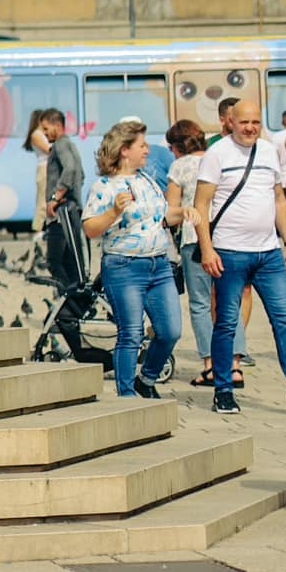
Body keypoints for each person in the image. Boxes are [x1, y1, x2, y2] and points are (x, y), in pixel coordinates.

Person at [196, 100, 286, 418]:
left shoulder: (269, 151)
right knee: (227, 323)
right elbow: (201, 205)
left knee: (285, 321)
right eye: (244, 122)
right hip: (229, 252)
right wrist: (207, 248)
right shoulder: (217, 154)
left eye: (256, 122)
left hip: (269, 252)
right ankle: (224, 391)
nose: (250, 128)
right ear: (230, 121)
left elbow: (278, 199)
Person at [83, 120, 183, 398]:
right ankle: (126, 395)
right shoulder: (104, 187)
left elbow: (164, 216)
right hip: (123, 267)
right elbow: (91, 229)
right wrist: (114, 212)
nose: (147, 150)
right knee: (131, 334)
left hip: (159, 265)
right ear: (125, 150)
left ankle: (146, 379)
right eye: (142, 145)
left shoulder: (147, 181)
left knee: (170, 330)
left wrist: (186, 212)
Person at [168, 121, 246, 386]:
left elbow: (172, 211)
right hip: (226, 238)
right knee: (228, 301)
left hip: (194, 240)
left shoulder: (180, 166)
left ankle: (212, 365)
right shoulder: (220, 157)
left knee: (201, 304)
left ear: (177, 147)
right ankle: (235, 366)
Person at [40, 110, 85, 221]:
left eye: (46, 129)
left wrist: (56, 198)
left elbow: (69, 168)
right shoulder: (70, 144)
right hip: (73, 209)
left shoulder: (60, 145)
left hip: (61, 213)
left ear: (58, 125)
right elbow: (81, 175)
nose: (44, 133)